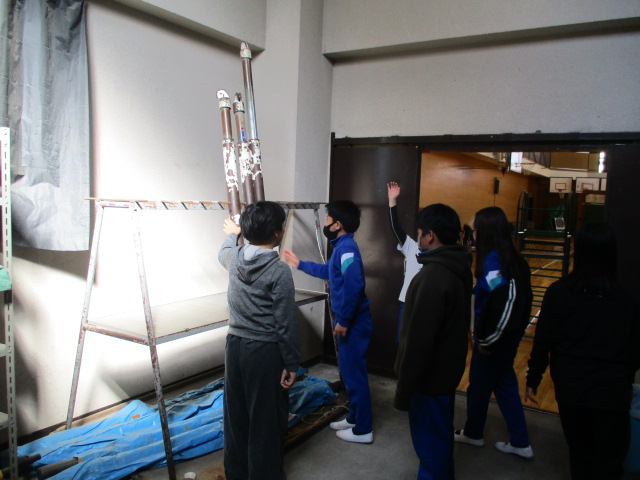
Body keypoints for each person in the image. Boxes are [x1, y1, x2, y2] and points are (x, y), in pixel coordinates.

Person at [525, 222, 640, 480]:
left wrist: (534, 377)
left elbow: (544, 340)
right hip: (611, 392)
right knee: (609, 461)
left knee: (580, 455)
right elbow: (635, 350)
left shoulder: (559, 292)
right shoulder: (626, 299)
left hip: (572, 389)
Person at [218, 201, 299, 480]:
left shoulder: (235, 258)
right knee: (265, 420)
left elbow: (223, 252)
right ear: (277, 233)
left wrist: (233, 234)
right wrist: (291, 363)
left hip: (234, 346)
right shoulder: (279, 271)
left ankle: (237, 474)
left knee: (236, 416)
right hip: (264, 351)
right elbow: (285, 323)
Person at [283, 200, 374, 444]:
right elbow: (329, 273)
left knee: (355, 375)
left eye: (327, 219)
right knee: (348, 373)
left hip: (353, 324)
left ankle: (364, 429)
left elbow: (355, 285)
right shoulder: (341, 247)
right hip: (349, 322)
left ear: (337, 225)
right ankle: (354, 417)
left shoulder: (347, 250)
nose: (325, 223)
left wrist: (343, 320)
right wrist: (300, 264)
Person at [394, 203, 473, 480]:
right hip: (445, 374)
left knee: (430, 446)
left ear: (430, 235)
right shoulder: (457, 265)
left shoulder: (432, 277)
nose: (417, 238)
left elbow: (419, 342)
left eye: (419, 233)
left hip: (429, 380)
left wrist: (405, 389)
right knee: (440, 438)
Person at [454, 206, 534, 458]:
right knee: (504, 385)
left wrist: (488, 341)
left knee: (479, 387)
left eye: (475, 229)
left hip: (494, 342)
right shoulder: (504, 259)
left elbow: (505, 307)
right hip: (499, 340)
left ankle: (474, 433)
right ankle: (520, 441)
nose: (473, 234)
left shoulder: (495, 264)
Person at [387, 181, 422, 342]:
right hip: (406, 302)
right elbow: (396, 227)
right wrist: (392, 200)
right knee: (403, 343)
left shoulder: (439, 256)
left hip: (424, 305)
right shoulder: (412, 247)